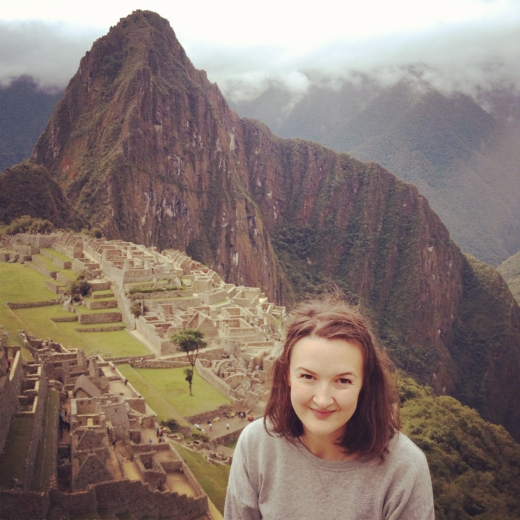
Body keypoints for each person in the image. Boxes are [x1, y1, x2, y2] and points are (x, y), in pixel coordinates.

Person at [225, 297, 435, 519]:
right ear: (287, 375)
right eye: (308, 376)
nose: (323, 399)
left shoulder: (404, 469)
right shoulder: (257, 445)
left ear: (364, 383)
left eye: (343, 380)